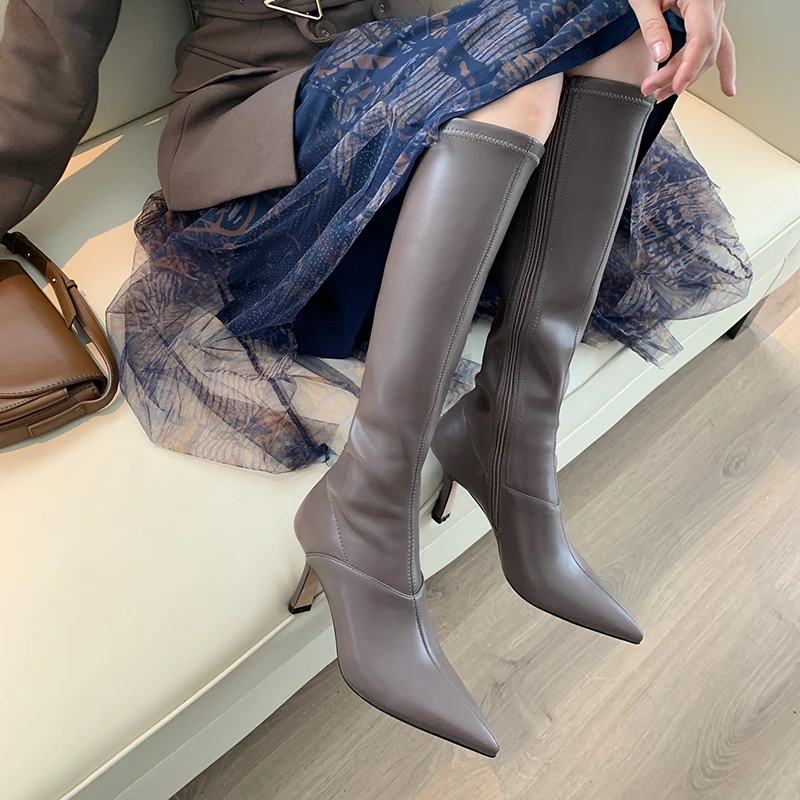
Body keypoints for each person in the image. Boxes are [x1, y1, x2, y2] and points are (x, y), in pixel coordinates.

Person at [0, 0, 749, 754]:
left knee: (634, 35)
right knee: (526, 79)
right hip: (273, 153)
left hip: (442, 167)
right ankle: (366, 504)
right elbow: (44, 68)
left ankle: (512, 432)